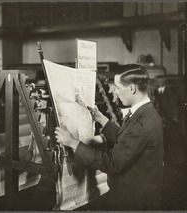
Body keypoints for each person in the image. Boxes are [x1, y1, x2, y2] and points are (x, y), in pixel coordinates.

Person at [55, 64, 164, 210]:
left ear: (132, 88)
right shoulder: (147, 112)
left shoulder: (142, 122)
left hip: (135, 200)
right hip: (142, 192)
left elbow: (112, 163)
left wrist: (73, 142)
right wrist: (102, 120)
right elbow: (128, 140)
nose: (115, 92)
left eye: (118, 87)